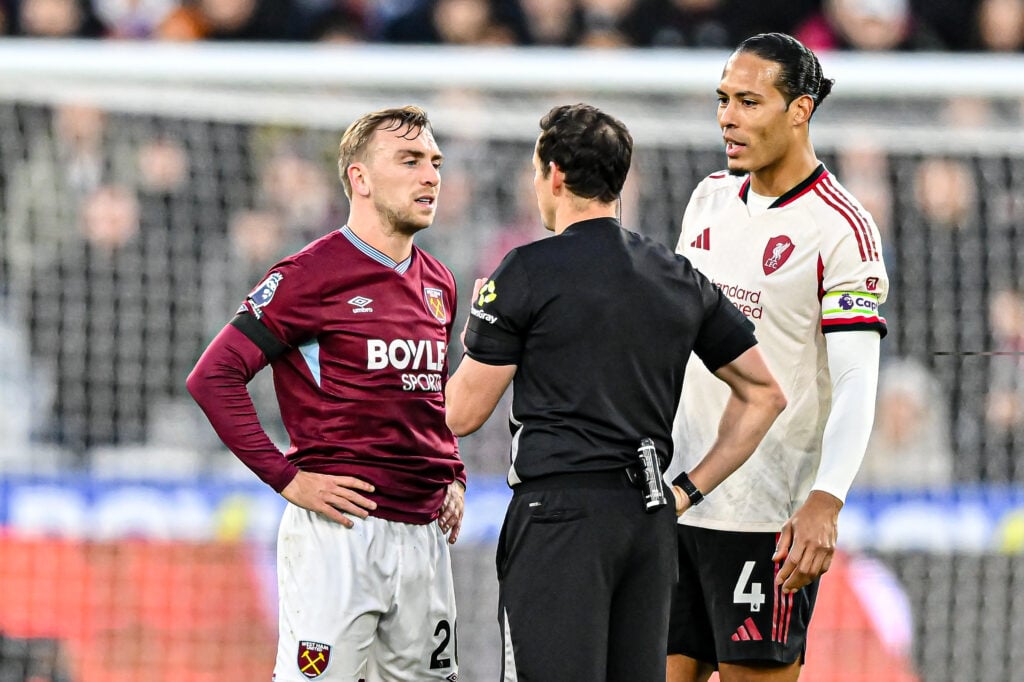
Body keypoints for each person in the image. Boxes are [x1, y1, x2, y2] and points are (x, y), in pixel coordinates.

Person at [445, 102, 787, 682]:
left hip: (559, 518)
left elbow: (460, 413)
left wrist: (478, 325)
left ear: (554, 174)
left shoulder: (526, 270)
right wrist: (688, 492)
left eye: (536, 173)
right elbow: (765, 394)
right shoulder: (677, 276)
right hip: (649, 521)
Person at [186, 105, 466, 682]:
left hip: (425, 536)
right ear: (359, 178)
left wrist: (454, 471)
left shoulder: (439, 281)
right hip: (341, 535)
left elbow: (426, 396)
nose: (430, 176)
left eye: (435, 162)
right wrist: (286, 478)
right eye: (410, 161)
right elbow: (213, 377)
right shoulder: (309, 274)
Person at [665, 32, 889, 682]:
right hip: (681, 499)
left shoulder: (842, 229)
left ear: (800, 110)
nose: (728, 117)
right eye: (723, 100)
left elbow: (855, 380)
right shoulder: (708, 197)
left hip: (768, 522)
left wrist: (826, 500)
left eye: (749, 101)